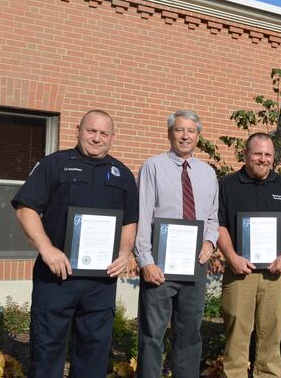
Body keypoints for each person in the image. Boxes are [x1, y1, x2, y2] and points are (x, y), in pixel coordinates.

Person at [12, 109, 139, 377]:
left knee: (94, 350)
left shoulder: (123, 175)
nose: (97, 138)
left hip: (100, 280)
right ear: (78, 130)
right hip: (57, 276)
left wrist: (125, 253)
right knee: (47, 348)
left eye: (104, 133)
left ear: (112, 137)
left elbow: (130, 221)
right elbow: (26, 209)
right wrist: (47, 249)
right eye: (91, 131)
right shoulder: (53, 164)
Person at [134, 110, 219, 378]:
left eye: (191, 131)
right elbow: (142, 215)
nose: (185, 136)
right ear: (170, 133)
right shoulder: (153, 166)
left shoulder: (208, 173)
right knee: (152, 334)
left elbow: (212, 217)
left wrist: (209, 241)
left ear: (198, 136)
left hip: (195, 264)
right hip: (159, 266)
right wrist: (145, 261)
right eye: (179, 130)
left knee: (190, 334)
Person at [216, 133, 281, 378]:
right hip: (239, 273)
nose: (263, 159)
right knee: (237, 333)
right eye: (257, 154)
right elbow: (218, 224)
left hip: (276, 274)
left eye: (268, 155)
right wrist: (231, 256)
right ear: (245, 155)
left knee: (272, 332)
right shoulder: (228, 185)